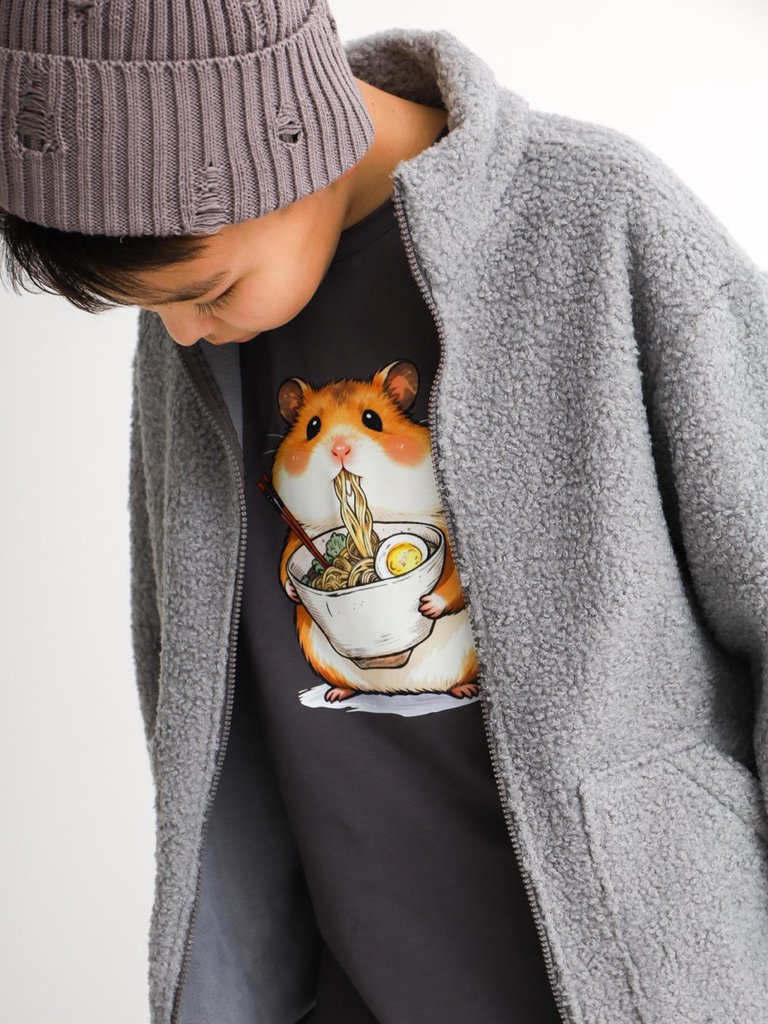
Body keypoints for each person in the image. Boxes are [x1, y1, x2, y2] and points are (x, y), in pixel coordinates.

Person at [2, 2, 767, 1023]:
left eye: (205, 291)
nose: (180, 333)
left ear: (280, 139)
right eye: (154, 309)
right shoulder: (203, 345)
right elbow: (192, 686)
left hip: (647, 983)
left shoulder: (599, 223)